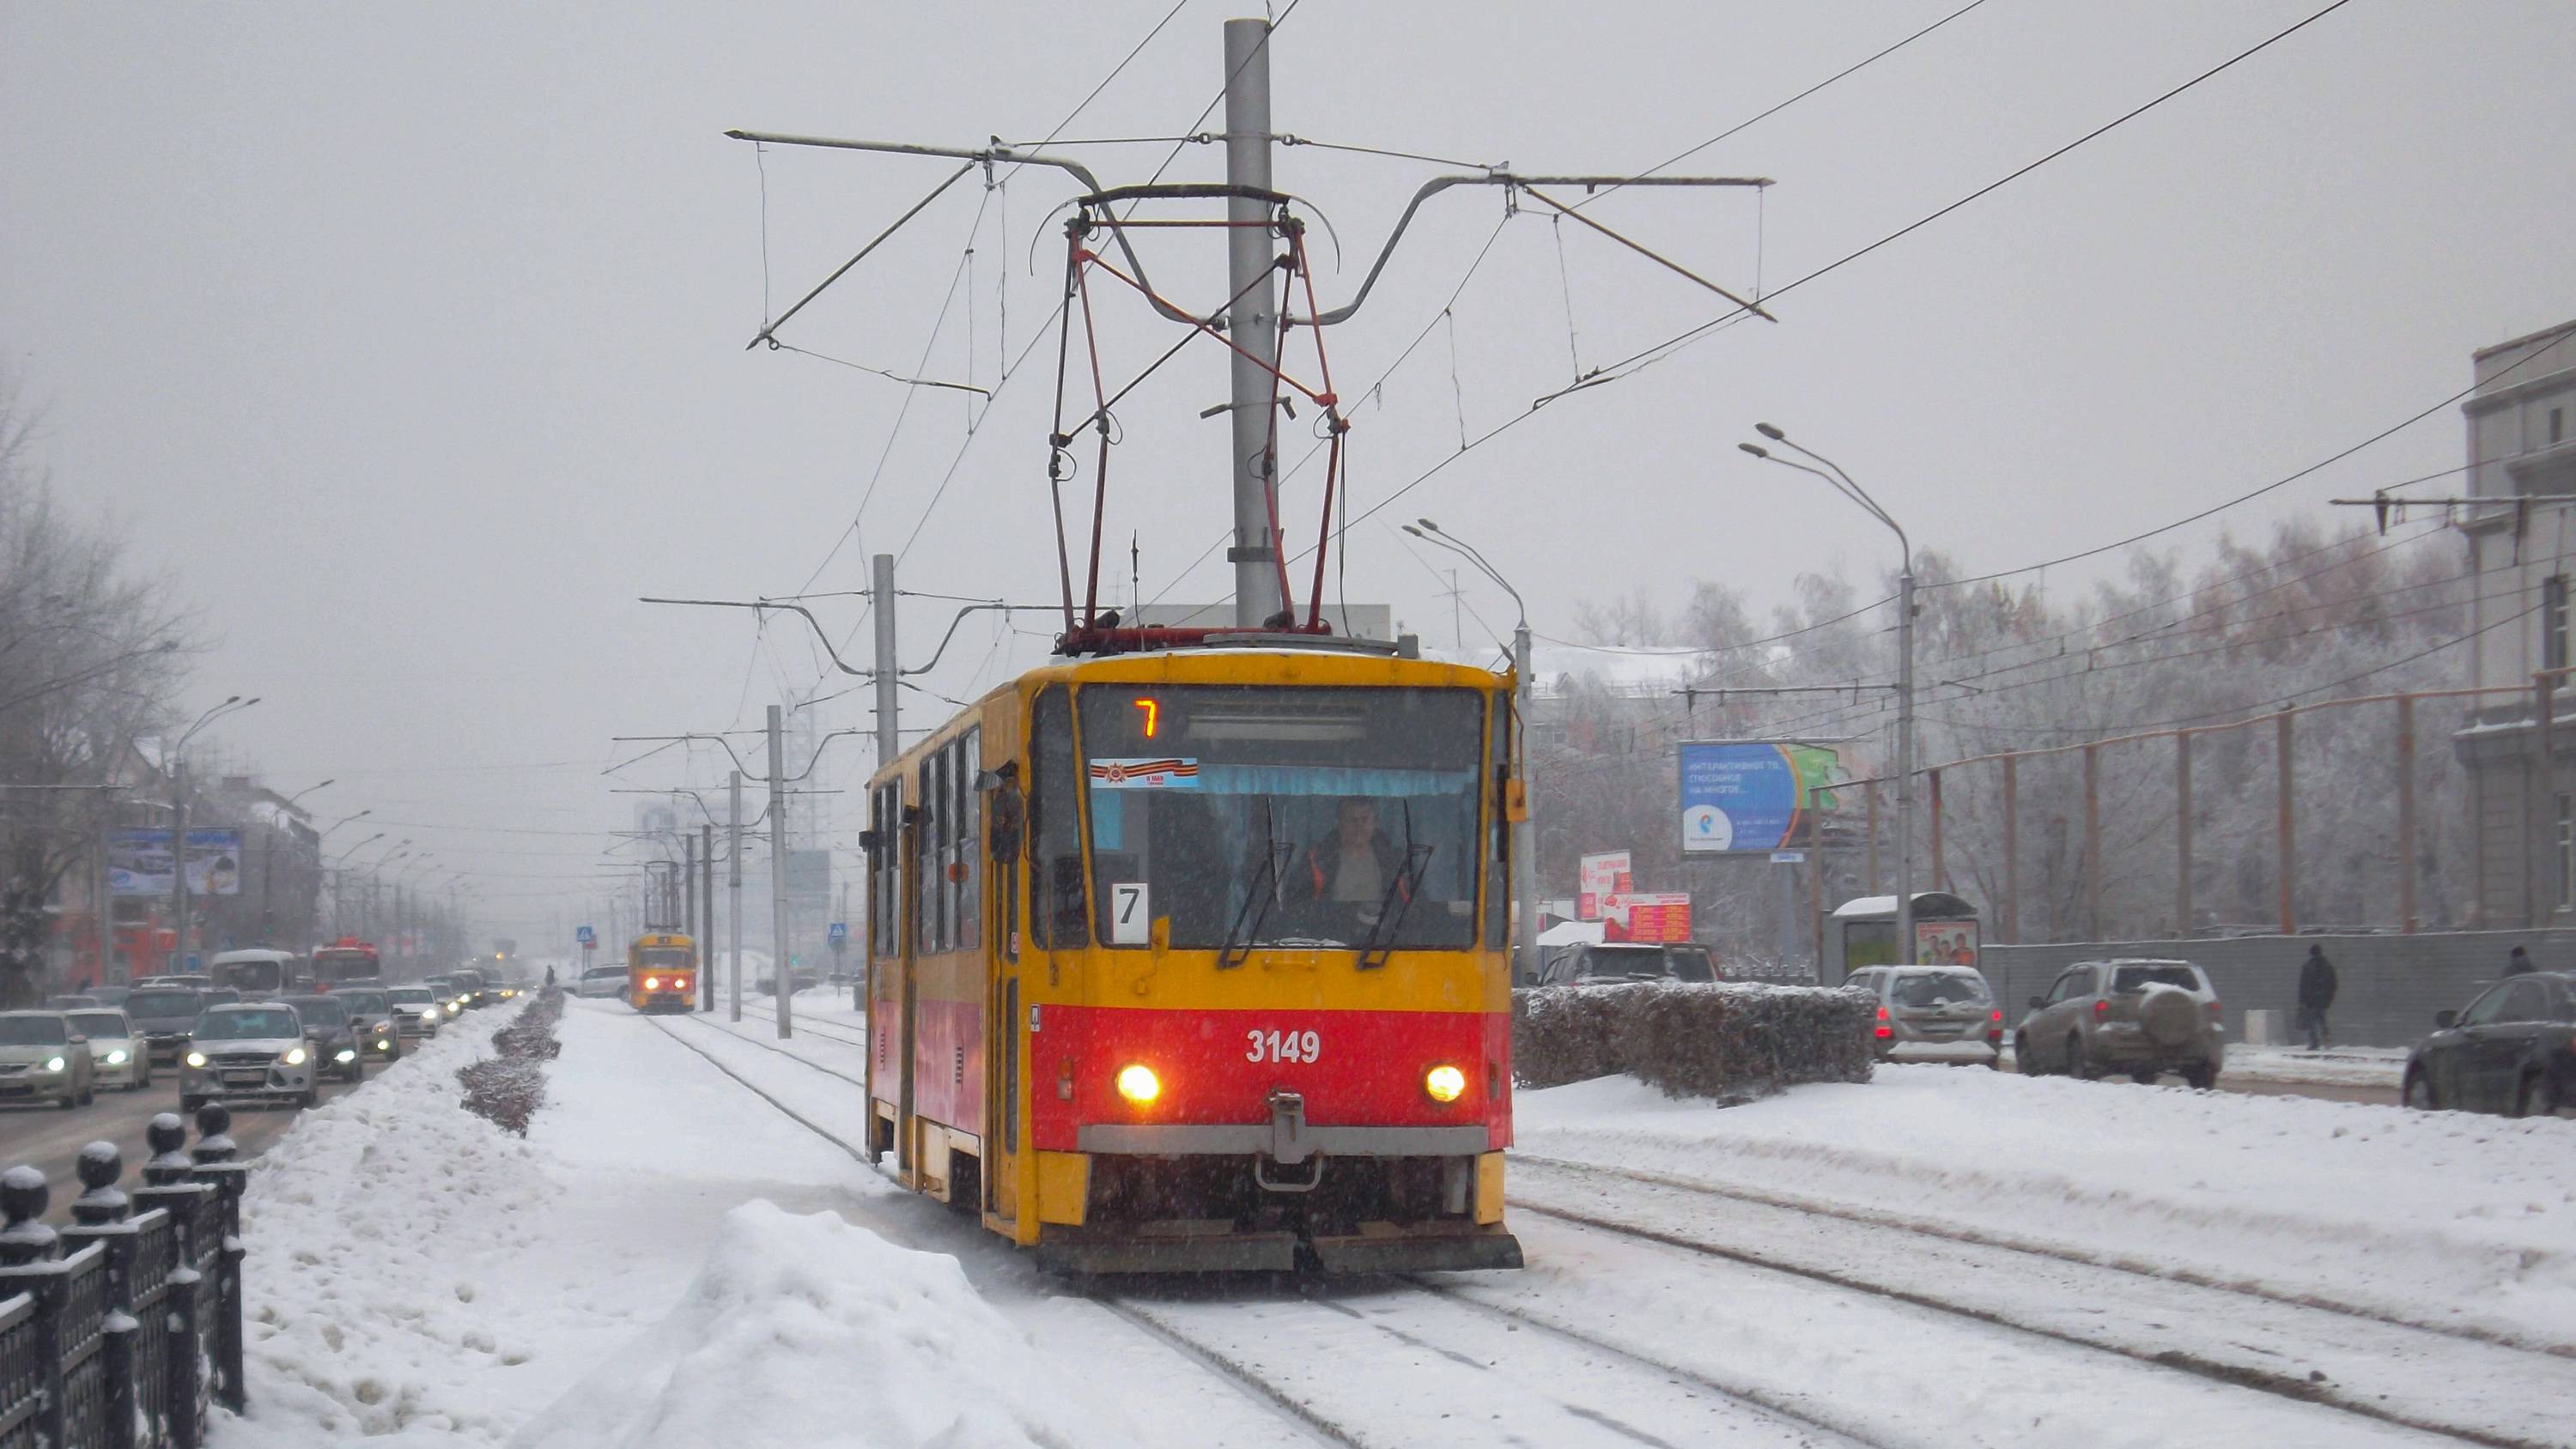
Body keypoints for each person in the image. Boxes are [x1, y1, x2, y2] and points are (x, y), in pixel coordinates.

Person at [1286, 798, 1408, 920]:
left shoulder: (1393, 861)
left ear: (1375, 823)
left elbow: (1413, 906)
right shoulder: (1315, 860)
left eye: (1365, 819)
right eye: (1352, 820)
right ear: (1340, 823)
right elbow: (1295, 905)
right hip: (1329, 933)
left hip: (1385, 935)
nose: (1358, 826)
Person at [2297, 943, 2338, 1052]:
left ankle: (2314, 1043)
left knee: (2312, 1023)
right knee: (2322, 1020)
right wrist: (2328, 998)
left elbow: (2303, 985)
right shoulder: (2328, 966)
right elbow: (2333, 984)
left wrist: (2302, 1001)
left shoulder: (2308, 966)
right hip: (2323, 1000)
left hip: (2310, 1000)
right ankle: (2327, 1039)